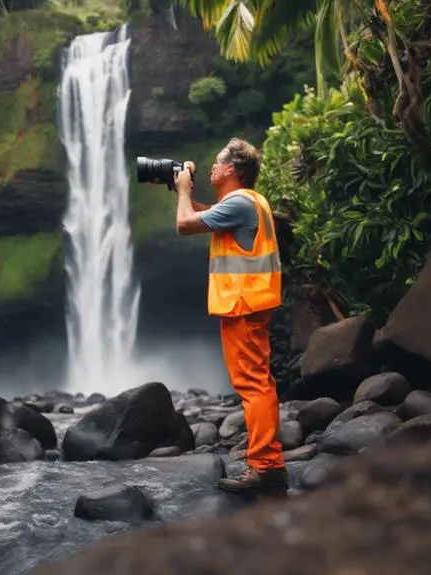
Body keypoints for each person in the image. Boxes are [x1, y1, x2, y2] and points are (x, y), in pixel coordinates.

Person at [172, 138, 287, 494]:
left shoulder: (239, 203)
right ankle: (263, 459)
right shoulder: (247, 203)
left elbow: (185, 225)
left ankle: (267, 466)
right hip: (250, 304)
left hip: (243, 305)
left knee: (254, 385)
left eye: (218, 164)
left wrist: (181, 193)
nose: (212, 168)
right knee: (256, 383)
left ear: (233, 170)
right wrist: (182, 192)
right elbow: (203, 216)